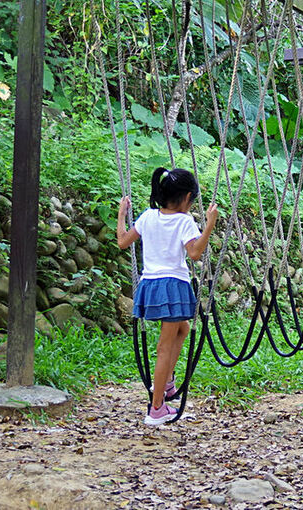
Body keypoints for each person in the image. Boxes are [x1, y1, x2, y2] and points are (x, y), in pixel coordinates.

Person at [116, 166, 218, 425]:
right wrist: (209, 226)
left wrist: (121, 216)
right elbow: (195, 254)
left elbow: (123, 242)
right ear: (186, 198)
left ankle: (168, 383)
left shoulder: (148, 217)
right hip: (172, 286)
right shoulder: (184, 221)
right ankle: (157, 408)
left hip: (150, 285)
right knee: (164, 348)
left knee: (181, 331)